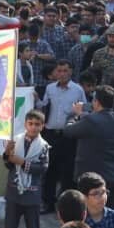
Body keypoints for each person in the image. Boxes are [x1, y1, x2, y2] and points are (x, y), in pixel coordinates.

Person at [0, 110, 50, 228]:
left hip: (32, 195)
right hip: (14, 193)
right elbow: (8, 164)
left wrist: (22, 162)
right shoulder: (16, 141)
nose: (34, 127)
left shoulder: (43, 146)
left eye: (37, 124)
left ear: (42, 126)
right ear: (25, 124)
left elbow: (42, 169)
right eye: (31, 123)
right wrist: (7, 153)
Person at [61, 85, 114, 206]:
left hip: (91, 180)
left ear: (96, 102)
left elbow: (68, 131)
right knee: (110, 215)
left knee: (89, 216)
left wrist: (75, 115)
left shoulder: (90, 120)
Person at [39, 59, 82, 213]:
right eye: (59, 71)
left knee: (67, 171)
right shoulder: (50, 88)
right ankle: (48, 203)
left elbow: (83, 110)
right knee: (49, 169)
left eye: (65, 71)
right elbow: (43, 105)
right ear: (55, 72)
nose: (62, 74)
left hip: (68, 135)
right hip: (50, 134)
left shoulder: (77, 90)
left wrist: (75, 115)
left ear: (70, 71)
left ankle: (66, 207)